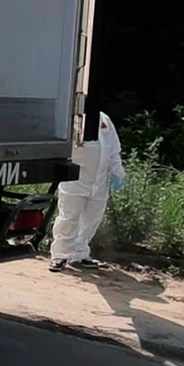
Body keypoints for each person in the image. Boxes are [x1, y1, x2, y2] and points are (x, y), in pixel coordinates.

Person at [49, 111, 125, 271]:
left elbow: (113, 149)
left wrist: (117, 170)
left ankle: (79, 254)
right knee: (68, 218)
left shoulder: (104, 118)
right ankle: (60, 255)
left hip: (99, 182)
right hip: (76, 180)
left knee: (92, 219)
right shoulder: (70, 116)